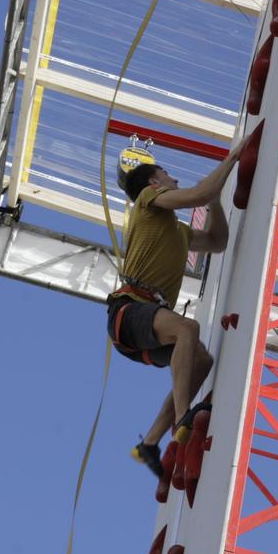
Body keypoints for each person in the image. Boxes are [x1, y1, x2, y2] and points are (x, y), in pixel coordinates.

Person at [109, 142, 242, 478]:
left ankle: (149, 444)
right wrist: (232, 158)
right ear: (154, 185)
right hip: (130, 310)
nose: (175, 179)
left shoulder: (177, 231)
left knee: (202, 360)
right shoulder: (147, 200)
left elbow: (217, 242)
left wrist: (214, 201)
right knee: (187, 329)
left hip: (139, 323)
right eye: (167, 175)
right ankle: (183, 415)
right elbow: (198, 193)